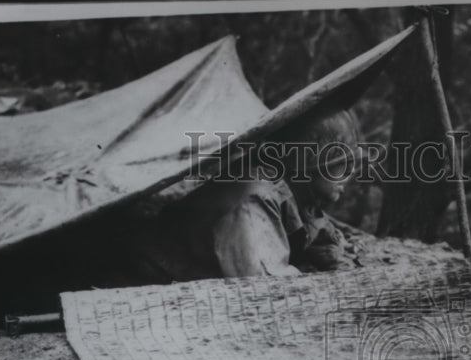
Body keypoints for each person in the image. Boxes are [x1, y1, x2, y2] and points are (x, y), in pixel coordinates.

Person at [122, 108, 362, 282]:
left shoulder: (297, 192)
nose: (349, 175)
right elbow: (266, 288)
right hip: (144, 278)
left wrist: (331, 255)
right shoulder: (254, 198)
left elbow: (316, 232)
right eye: (340, 166)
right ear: (307, 166)